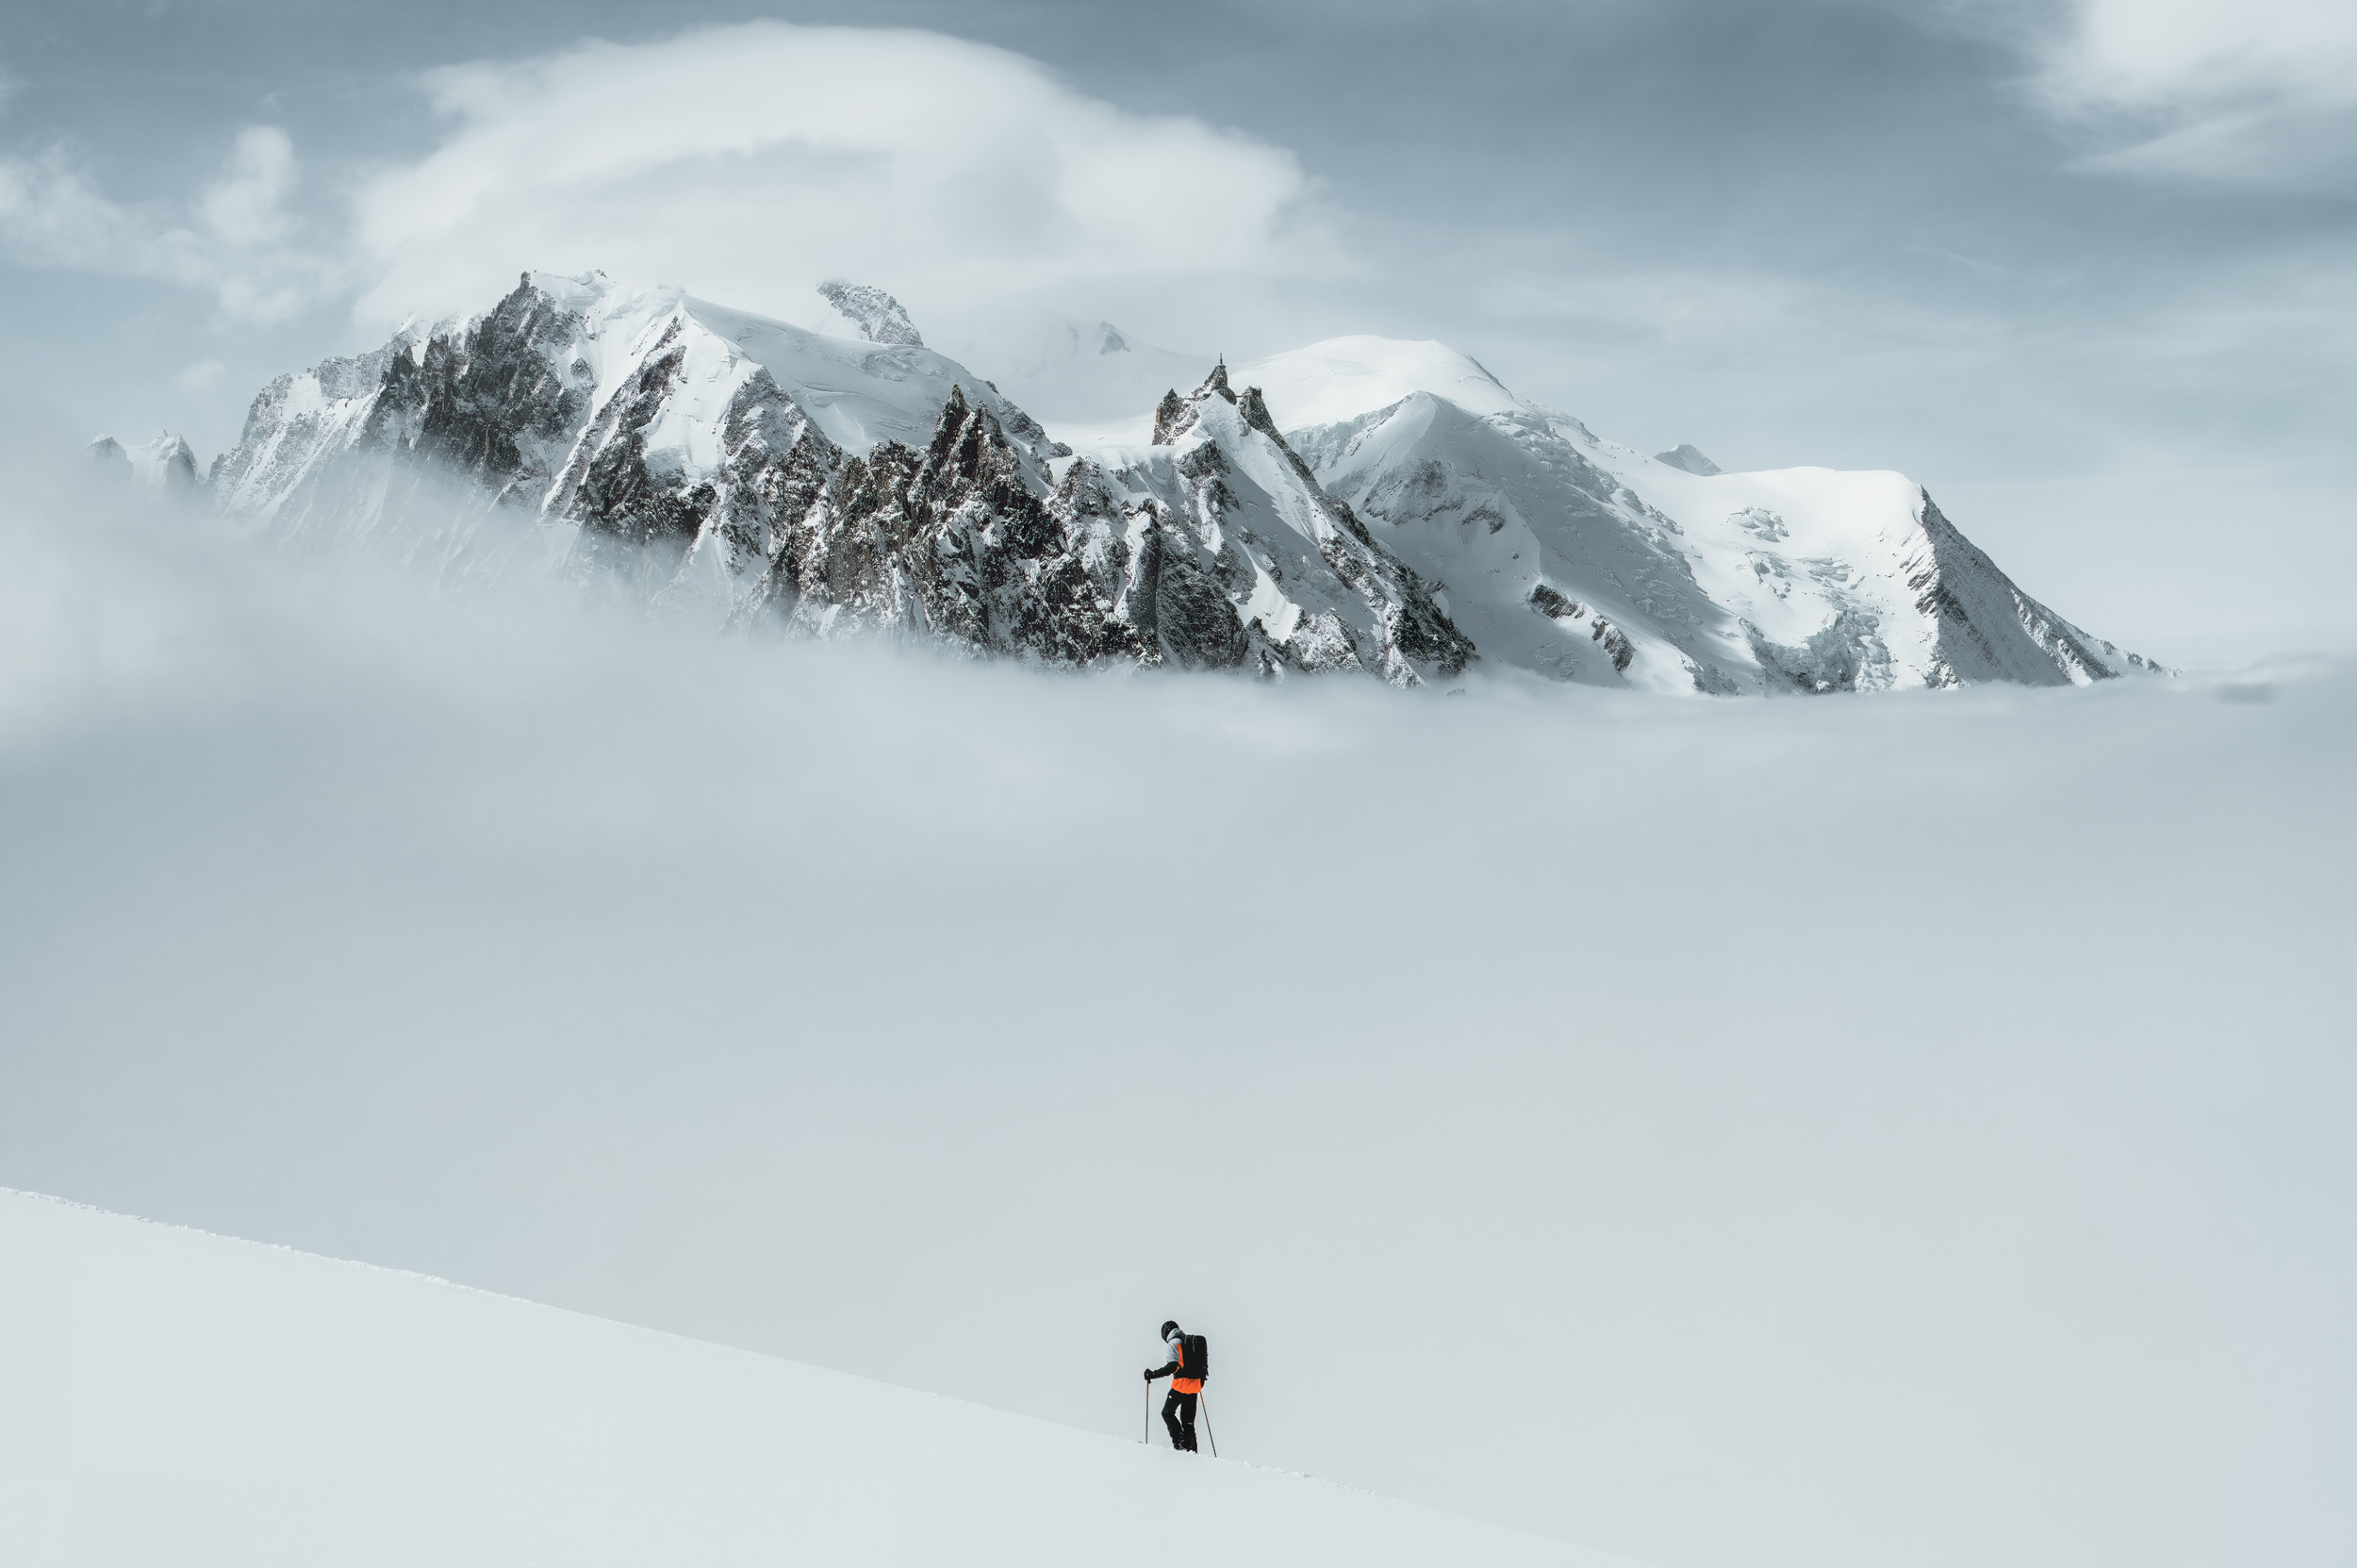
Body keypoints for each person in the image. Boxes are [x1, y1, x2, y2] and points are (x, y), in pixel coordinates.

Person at [1143, 1319, 1203, 1452]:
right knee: (1188, 1421)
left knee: (1167, 1413)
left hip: (1180, 1385)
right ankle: (1192, 1450)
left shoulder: (1174, 1343)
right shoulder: (1189, 1342)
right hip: (1195, 1386)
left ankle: (1180, 1444)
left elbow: (1172, 1366)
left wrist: (1152, 1374)